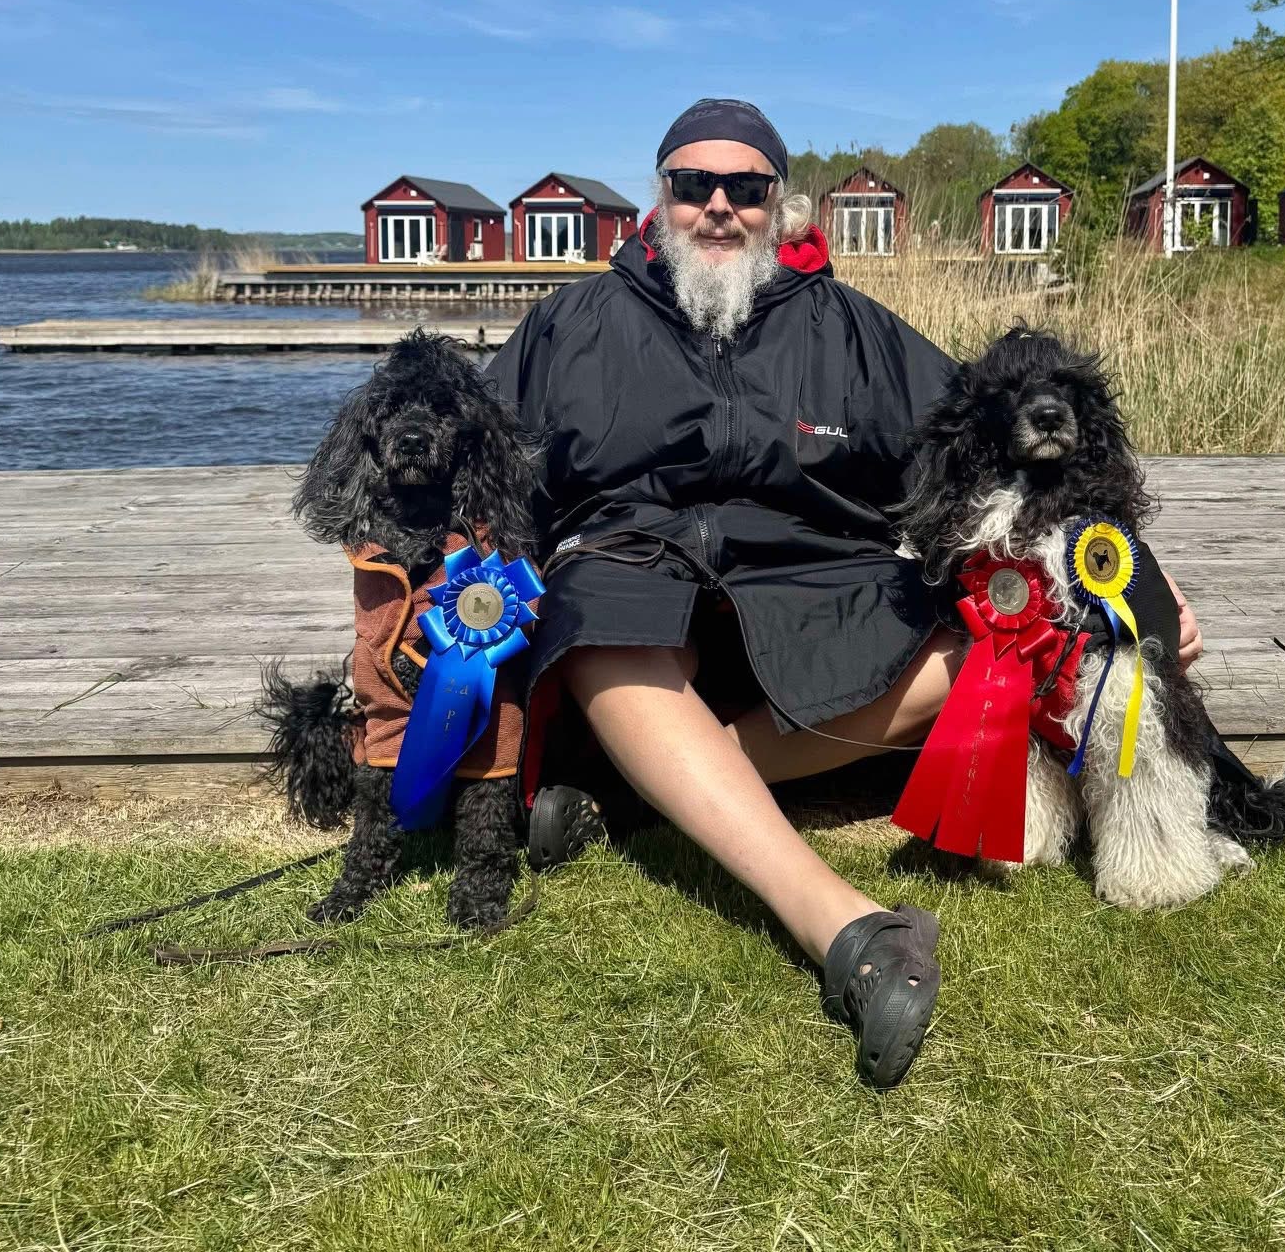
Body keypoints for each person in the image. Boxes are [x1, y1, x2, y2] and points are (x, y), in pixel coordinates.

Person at [485, 98, 1202, 1088]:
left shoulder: (854, 328)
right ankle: (846, 925)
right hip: (634, 562)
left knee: (992, 639)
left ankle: (641, 788)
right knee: (601, 616)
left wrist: (1134, 570)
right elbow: (475, 456)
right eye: (695, 183)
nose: (720, 205)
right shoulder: (572, 322)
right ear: (661, 195)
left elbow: (999, 438)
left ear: (780, 202)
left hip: (819, 576)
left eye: (747, 187)